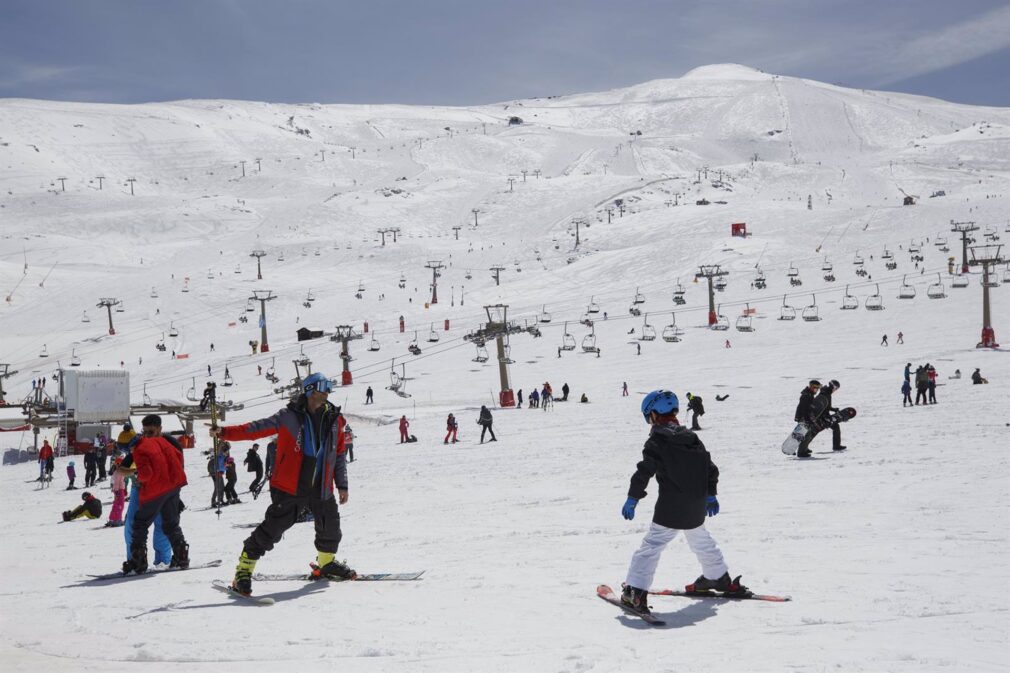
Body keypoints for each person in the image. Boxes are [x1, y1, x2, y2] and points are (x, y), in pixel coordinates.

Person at [211, 372, 353, 597]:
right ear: (309, 390)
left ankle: (326, 564)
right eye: (323, 386)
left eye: (329, 387)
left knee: (330, 527)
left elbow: (339, 455)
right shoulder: (288, 416)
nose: (327, 391)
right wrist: (225, 433)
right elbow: (256, 429)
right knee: (272, 529)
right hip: (291, 486)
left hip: (321, 487)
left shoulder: (335, 419)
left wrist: (342, 485)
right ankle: (243, 571)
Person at [619, 390, 748, 615]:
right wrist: (710, 495)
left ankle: (635, 592)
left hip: (671, 507)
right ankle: (717, 578)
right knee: (701, 540)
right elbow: (710, 467)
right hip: (696, 506)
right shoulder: (691, 437)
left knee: (652, 546)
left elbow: (644, 471)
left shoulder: (658, 439)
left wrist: (633, 498)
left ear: (654, 414)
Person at [123, 414, 189, 574]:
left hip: (155, 488)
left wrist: (136, 473)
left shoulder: (168, 442)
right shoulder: (146, 442)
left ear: (160, 429)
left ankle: (143, 561)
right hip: (163, 487)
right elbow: (127, 462)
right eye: (144, 432)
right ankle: (180, 557)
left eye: (150, 432)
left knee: (146, 524)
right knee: (166, 524)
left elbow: (176, 466)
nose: (146, 435)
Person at [798, 380, 845, 455]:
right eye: (835, 388)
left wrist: (833, 409)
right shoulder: (824, 393)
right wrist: (819, 417)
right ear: (832, 386)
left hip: (819, 416)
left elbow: (826, 406)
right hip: (819, 416)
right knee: (811, 432)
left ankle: (804, 449)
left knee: (812, 432)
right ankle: (802, 451)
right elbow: (817, 407)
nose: (835, 390)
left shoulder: (826, 393)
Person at [106, 457, 127, 527]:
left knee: (116, 504)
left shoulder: (117, 471)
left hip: (119, 489)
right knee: (120, 505)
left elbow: (120, 482)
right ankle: (118, 519)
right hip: (119, 490)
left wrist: (123, 489)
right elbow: (117, 482)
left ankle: (112, 519)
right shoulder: (119, 471)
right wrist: (118, 491)